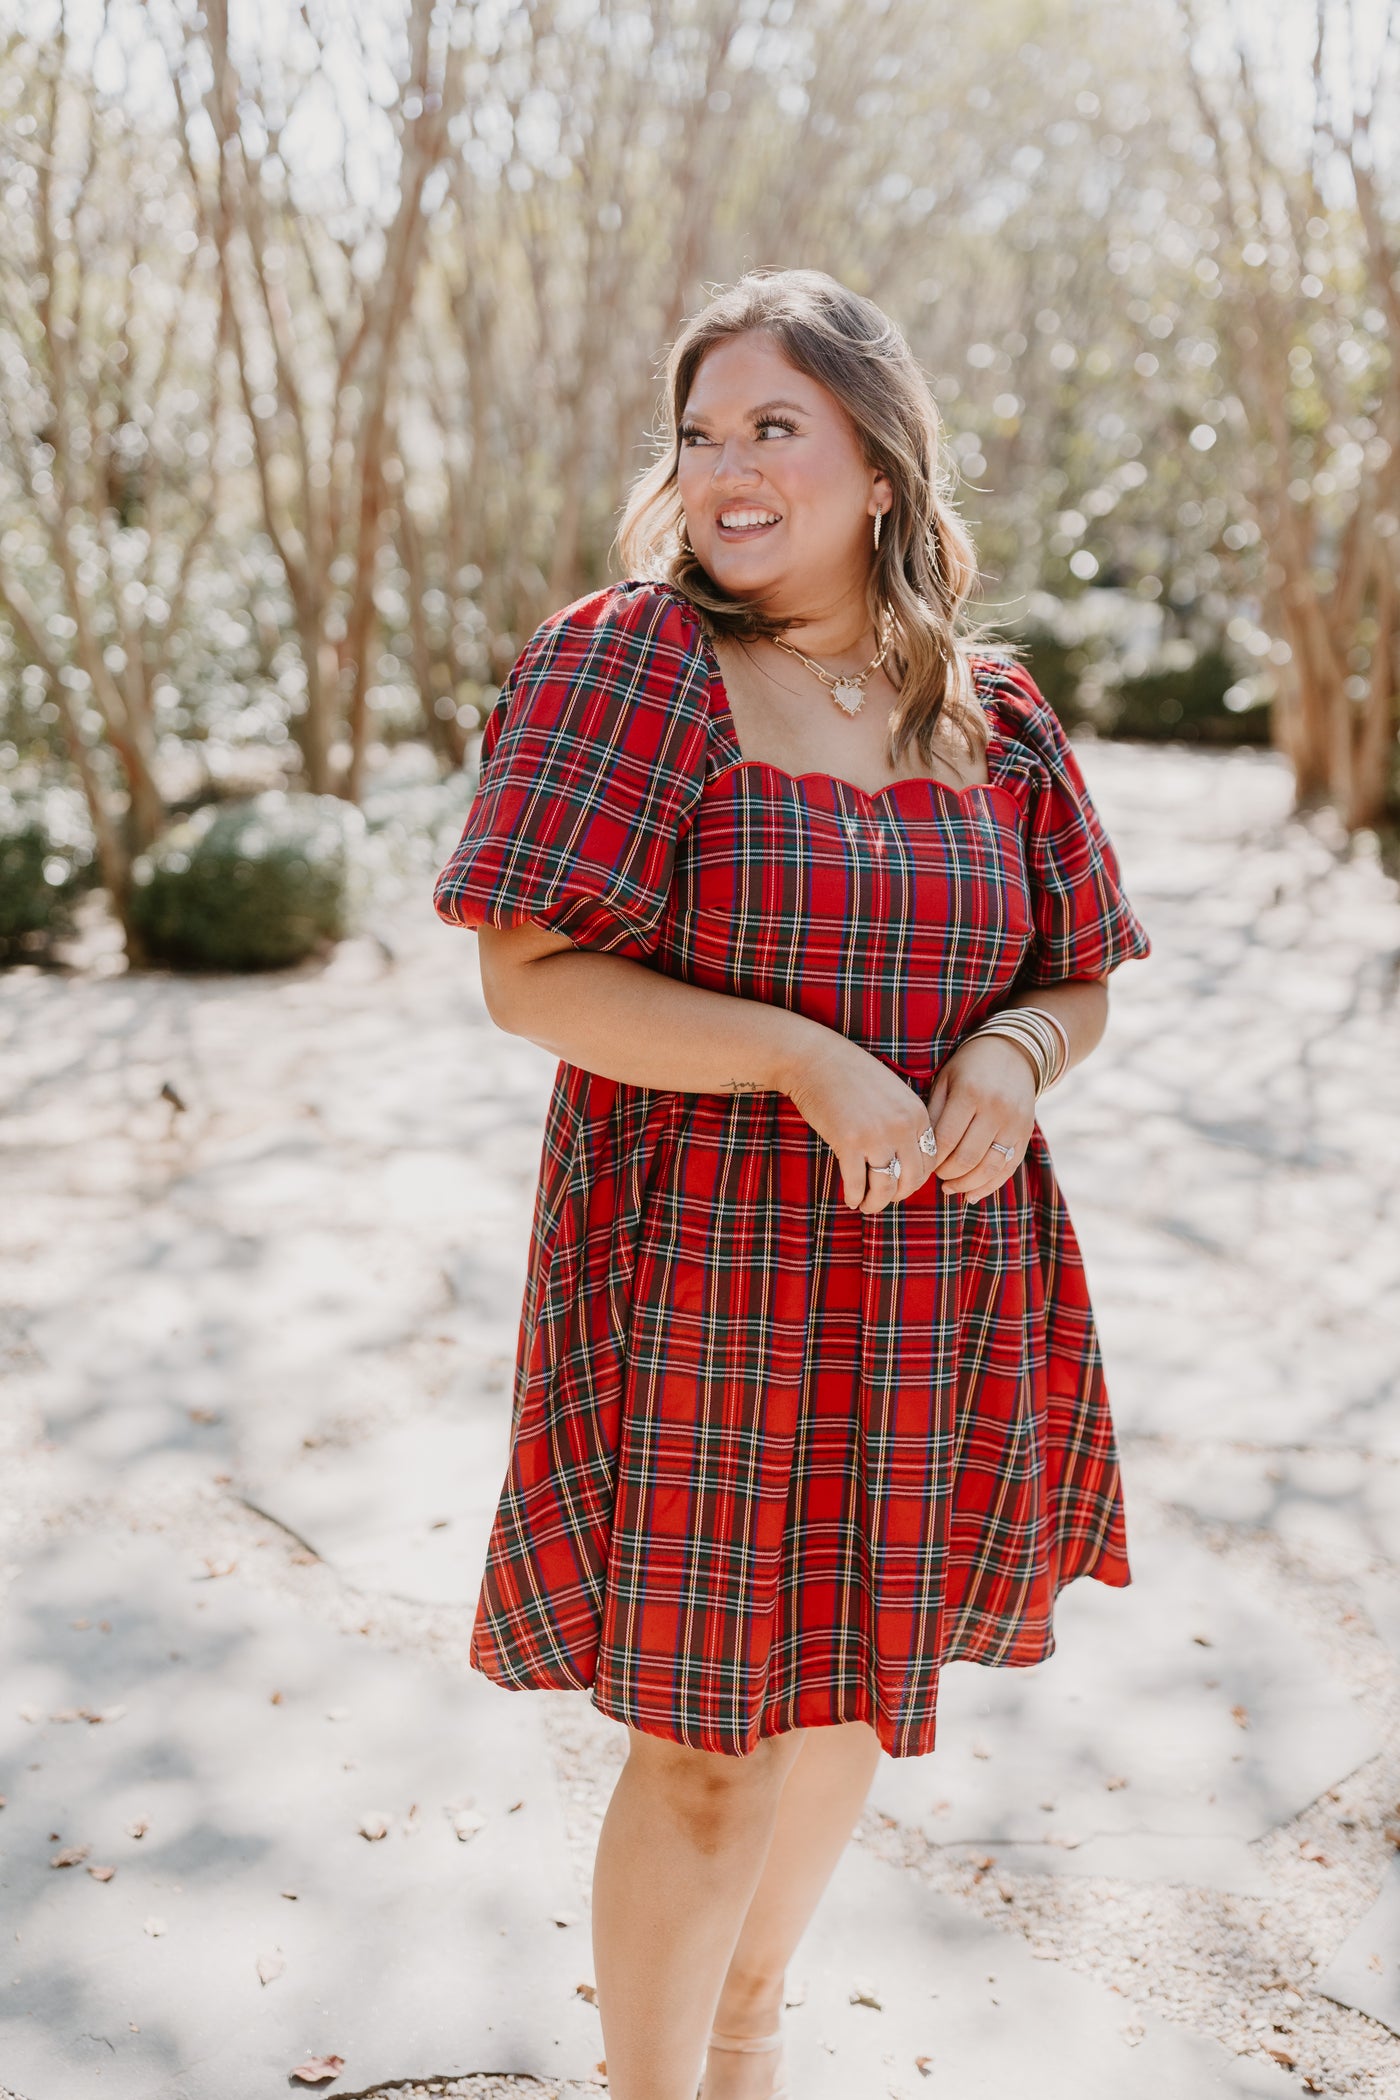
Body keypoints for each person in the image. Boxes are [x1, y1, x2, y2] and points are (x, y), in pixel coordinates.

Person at [431, 267, 1151, 2100]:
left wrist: (1013, 1054)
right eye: (701, 432)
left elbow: (1078, 968)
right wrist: (798, 1053)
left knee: (847, 1689)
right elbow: (527, 977)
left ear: (880, 463)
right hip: (704, 1280)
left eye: (777, 428)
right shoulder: (631, 662)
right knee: (705, 1742)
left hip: (934, 1276)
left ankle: (747, 2044)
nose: (727, 470)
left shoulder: (990, 709)